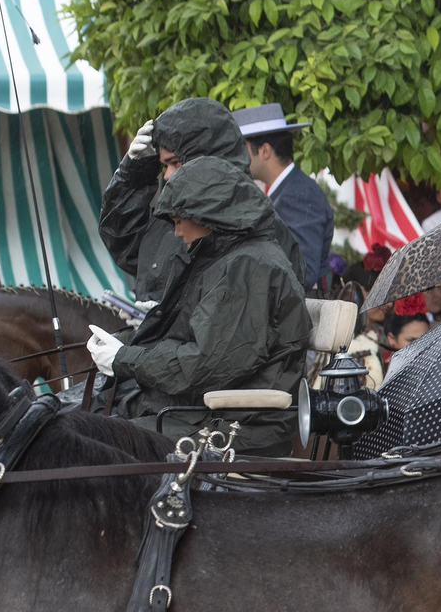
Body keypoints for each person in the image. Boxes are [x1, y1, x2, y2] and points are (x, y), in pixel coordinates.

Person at [86, 156, 311, 456]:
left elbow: (204, 364)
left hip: (238, 426)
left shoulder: (249, 266)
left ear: (208, 216)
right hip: (208, 410)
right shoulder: (230, 259)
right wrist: (127, 345)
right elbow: (190, 341)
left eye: (179, 221)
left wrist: (125, 358)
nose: (177, 233)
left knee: (96, 443)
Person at [98, 97, 311, 306]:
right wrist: (136, 170)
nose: (166, 176)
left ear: (210, 162)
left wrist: (161, 325)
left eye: (176, 163)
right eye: (164, 166)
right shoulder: (174, 223)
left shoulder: (259, 228)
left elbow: (240, 323)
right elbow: (121, 237)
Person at [233, 103, 336, 290]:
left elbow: (303, 272)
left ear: (264, 150)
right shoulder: (289, 190)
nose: (237, 158)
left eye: (242, 148)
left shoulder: (297, 194)